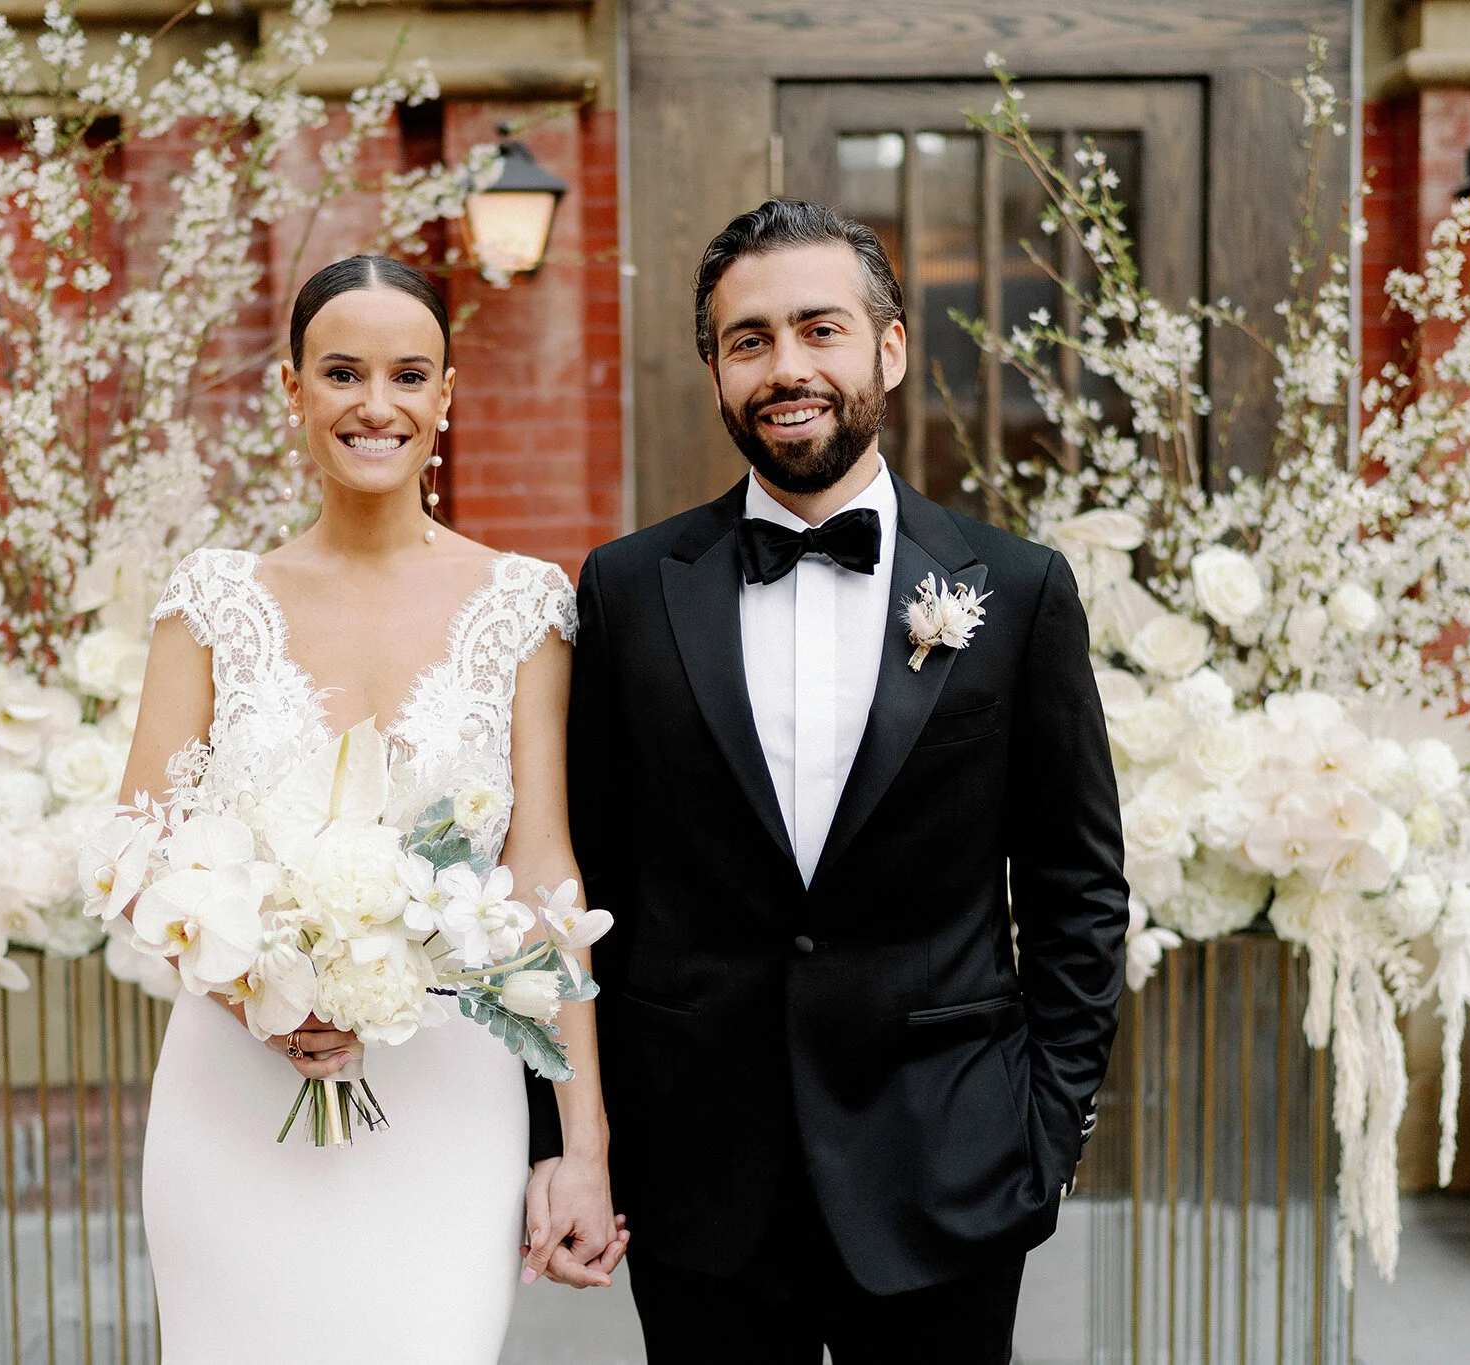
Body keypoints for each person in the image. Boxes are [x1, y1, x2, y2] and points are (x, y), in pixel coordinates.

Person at [537, 200, 1129, 1363]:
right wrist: (568, 1139)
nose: (786, 367)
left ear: (888, 348)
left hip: (946, 1172)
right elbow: (579, 889)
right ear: (713, 369)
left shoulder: (1016, 591)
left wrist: (1042, 1133)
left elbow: (1076, 889)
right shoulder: (623, 589)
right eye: (749, 340)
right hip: (697, 1178)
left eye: (820, 329)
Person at [119, 255, 626, 1364]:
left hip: (450, 1096)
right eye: (341, 372)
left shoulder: (523, 606)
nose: (375, 404)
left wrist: (582, 1145)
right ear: (290, 392)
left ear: (445, 399)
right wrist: (263, 985)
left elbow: (545, 880)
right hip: (232, 1091)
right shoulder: (209, 602)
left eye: (408, 375)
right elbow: (139, 862)